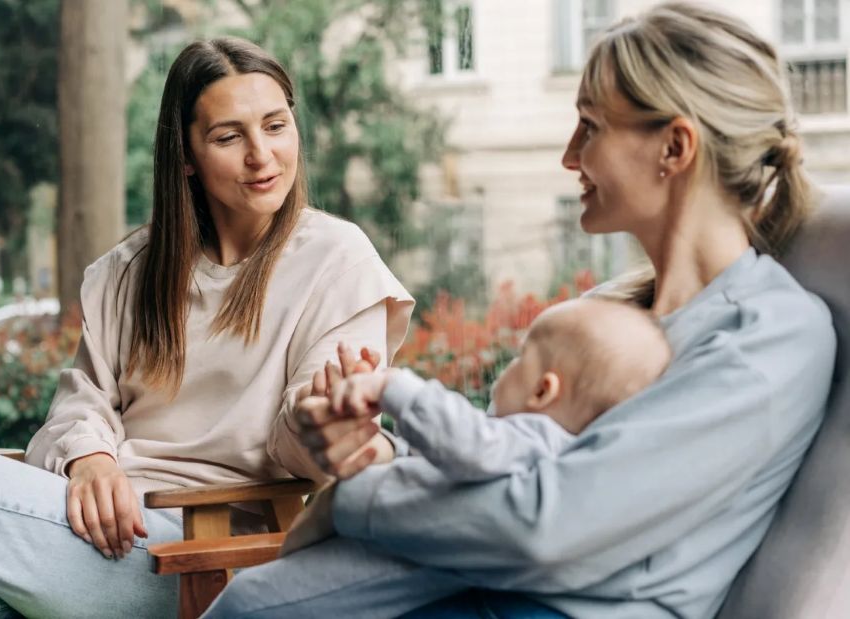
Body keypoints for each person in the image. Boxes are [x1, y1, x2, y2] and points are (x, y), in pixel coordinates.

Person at [203, 3, 838, 618]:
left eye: (590, 125)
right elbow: (504, 453)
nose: (568, 155)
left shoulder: (768, 337)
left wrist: (352, 501)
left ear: (674, 148)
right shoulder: (609, 313)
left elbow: (543, 528)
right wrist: (374, 453)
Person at [0, 37, 412, 618]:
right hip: (92, 532)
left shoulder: (338, 260)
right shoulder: (129, 271)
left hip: (202, 558)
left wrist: (325, 420)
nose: (261, 155)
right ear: (186, 157)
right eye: (229, 137)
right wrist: (90, 459)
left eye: (276, 126)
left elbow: (304, 441)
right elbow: (78, 408)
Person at [389, 297, 672, 483]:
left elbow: (466, 439)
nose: (509, 365)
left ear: (542, 391)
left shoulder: (539, 442)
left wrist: (396, 389)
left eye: (521, 357)